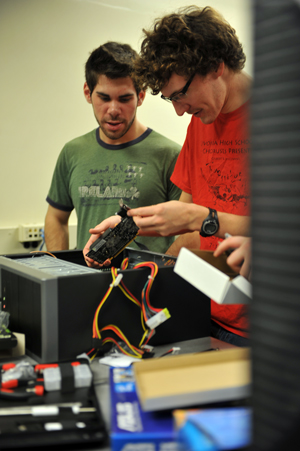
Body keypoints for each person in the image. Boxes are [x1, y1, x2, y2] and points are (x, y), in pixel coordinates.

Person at [84, 8, 251, 347]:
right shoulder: (200, 126)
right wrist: (127, 227)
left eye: (180, 95)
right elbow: (181, 219)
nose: (179, 110)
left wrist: (203, 217)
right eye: (170, 99)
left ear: (217, 66)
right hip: (208, 313)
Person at [45, 41, 181, 253]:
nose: (114, 110)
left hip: (147, 282)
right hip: (86, 282)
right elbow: (56, 217)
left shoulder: (170, 154)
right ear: (88, 93)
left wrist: (163, 274)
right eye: (104, 98)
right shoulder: (72, 152)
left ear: (141, 96)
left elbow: (189, 228)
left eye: (125, 98)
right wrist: (56, 271)